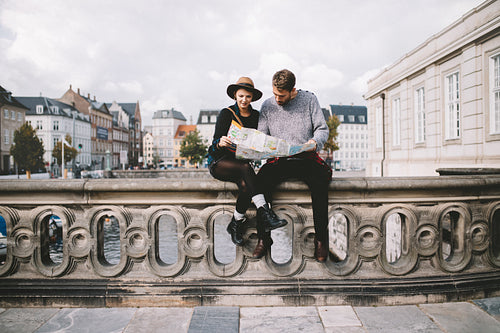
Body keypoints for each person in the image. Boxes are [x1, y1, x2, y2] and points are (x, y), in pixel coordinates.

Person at [254, 69, 332, 261]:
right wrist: (260, 145)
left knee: (321, 182)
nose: (277, 99)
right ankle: (264, 238)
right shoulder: (267, 106)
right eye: (274, 94)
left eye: (281, 95)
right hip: (278, 159)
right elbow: (261, 135)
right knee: (260, 184)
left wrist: (314, 143)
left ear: (293, 91)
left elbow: (322, 129)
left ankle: (321, 239)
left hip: (305, 158)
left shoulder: (309, 100)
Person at [206, 77, 287, 246]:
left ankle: (235, 223)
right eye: (241, 96)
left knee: (246, 186)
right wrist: (220, 142)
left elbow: (259, 141)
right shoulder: (226, 113)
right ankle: (265, 211)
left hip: (242, 163)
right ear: (235, 95)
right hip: (220, 162)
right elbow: (213, 146)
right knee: (245, 168)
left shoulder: (257, 116)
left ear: (252, 98)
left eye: (248, 97)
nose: (244, 100)